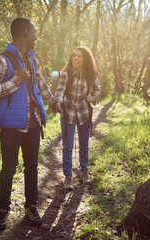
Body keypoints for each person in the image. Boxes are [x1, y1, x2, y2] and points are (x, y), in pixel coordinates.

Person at [0, 17, 57, 230]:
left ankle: (31, 206)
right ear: (25, 32)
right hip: (10, 124)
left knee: (32, 166)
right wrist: (16, 81)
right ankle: (3, 210)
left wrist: (52, 101)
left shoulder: (33, 60)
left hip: (33, 123)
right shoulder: (1, 60)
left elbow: (40, 83)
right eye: (34, 32)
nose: (37, 37)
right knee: (8, 167)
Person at [53, 46, 101, 190]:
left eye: (79, 56)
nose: (75, 58)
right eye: (74, 56)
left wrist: (92, 97)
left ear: (85, 59)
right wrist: (58, 101)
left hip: (83, 113)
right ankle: (68, 177)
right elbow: (59, 91)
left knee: (84, 145)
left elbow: (98, 89)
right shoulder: (66, 74)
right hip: (67, 112)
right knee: (67, 147)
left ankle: (84, 172)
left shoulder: (90, 75)